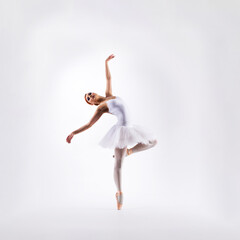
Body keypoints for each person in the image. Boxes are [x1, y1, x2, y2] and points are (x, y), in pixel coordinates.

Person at [66, 54, 157, 210]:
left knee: (153, 142)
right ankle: (119, 193)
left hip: (131, 127)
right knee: (119, 164)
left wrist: (106, 62)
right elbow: (89, 124)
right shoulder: (101, 107)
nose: (90, 95)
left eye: (89, 93)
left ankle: (130, 151)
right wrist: (74, 132)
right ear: (92, 104)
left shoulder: (109, 95)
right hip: (121, 131)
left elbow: (109, 78)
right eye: (88, 98)